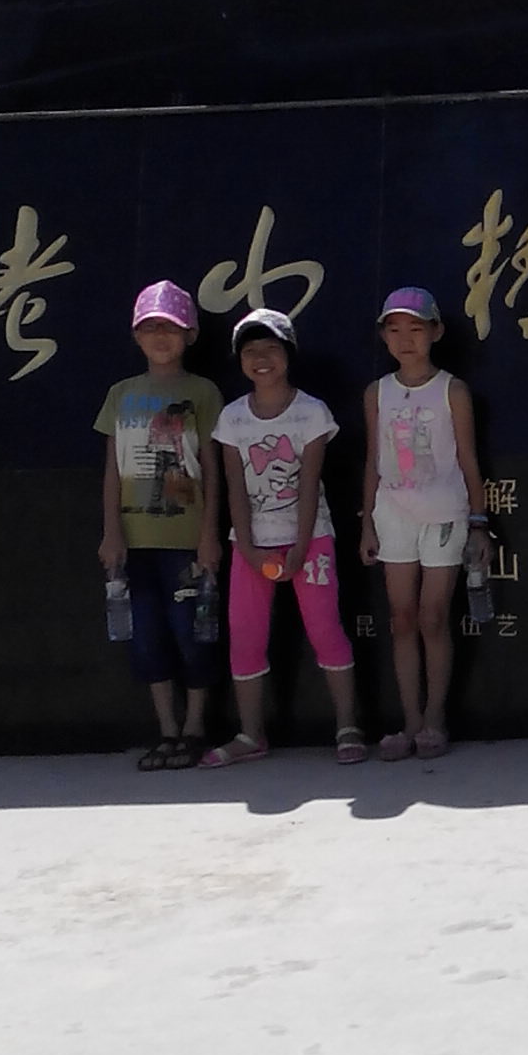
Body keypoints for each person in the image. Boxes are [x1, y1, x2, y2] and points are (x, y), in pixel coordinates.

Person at [204, 307, 368, 770]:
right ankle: (250, 734)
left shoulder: (311, 412)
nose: (261, 359)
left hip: (310, 541)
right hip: (249, 546)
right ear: (239, 360)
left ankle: (348, 725)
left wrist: (299, 545)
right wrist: (248, 547)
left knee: (325, 629)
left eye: (271, 348)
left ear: (288, 354)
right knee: (245, 636)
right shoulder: (232, 418)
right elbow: (235, 487)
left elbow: (312, 484)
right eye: (250, 351)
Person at [95, 279, 222, 770]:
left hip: (186, 538)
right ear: (136, 336)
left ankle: (194, 728)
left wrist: (209, 535)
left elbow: (212, 469)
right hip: (134, 541)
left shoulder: (202, 392)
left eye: (170, 327)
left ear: (190, 334)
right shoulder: (121, 394)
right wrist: (111, 532)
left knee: (193, 635)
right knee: (147, 639)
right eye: (150, 328)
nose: (160, 337)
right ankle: (166, 730)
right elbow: (113, 470)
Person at [360, 285, 488, 761]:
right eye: (394, 329)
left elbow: (469, 459)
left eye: (415, 328)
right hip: (392, 513)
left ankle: (435, 718)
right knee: (402, 619)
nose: (405, 339)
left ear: (435, 332)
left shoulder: (453, 390)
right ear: (383, 336)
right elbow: (373, 460)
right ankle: (410, 721)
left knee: (433, 617)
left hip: (445, 513)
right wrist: (367, 523)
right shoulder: (377, 392)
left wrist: (479, 522)